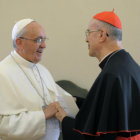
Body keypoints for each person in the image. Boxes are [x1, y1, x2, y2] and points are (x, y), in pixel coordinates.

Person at [55, 10, 140, 140]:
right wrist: (79, 102)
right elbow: (110, 109)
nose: (86, 39)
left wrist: (64, 120)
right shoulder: (129, 65)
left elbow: (93, 137)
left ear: (101, 35)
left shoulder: (111, 74)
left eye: (88, 33)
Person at [0, 19, 72, 140]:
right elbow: (2, 126)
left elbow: (60, 101)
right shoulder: (2, 73)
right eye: (38, 40)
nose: (44, 45)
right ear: (19, 43)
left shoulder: (43, 70)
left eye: (44, 39)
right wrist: (43, 115)